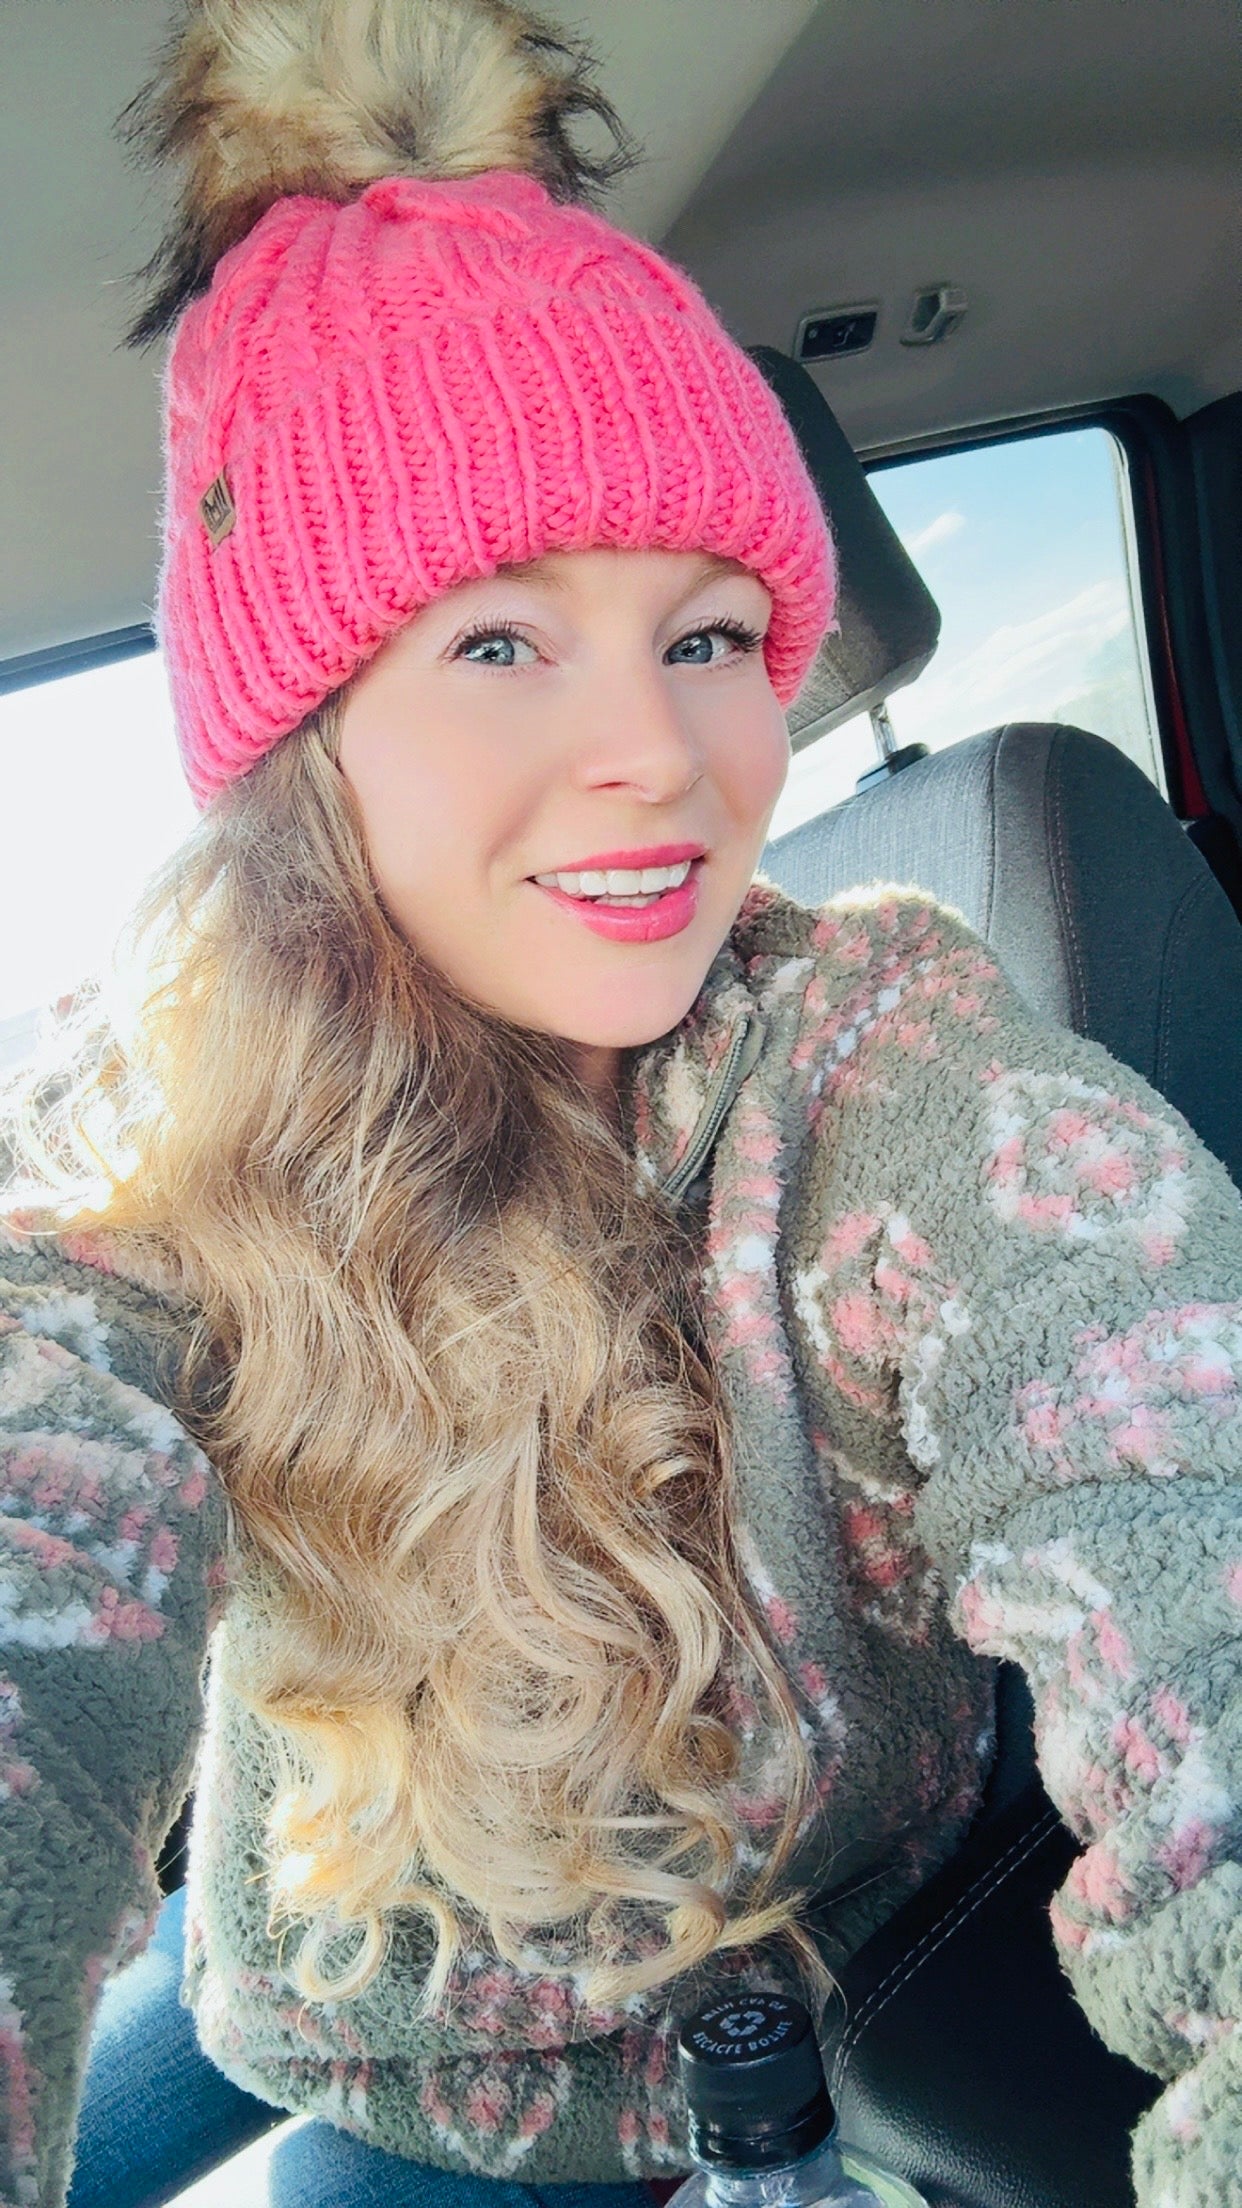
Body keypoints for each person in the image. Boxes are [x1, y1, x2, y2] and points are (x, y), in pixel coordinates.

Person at [0, 3, 1238, 2204]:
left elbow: (1180, 1494)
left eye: (707, 635)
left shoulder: (881, 1049)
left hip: (800, 2013)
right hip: (356, 1997)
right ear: (303, 742)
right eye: (497, 643)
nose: (662, 756)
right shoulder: (140, 1165)